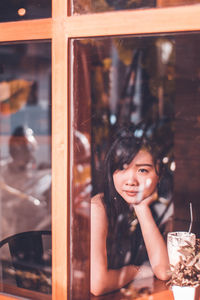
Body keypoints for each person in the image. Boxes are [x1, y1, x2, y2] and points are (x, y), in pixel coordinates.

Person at [91, 125, 172, 296]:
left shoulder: (160, 208)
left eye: (142, 170)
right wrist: (135, 271)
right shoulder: (98, 208)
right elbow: (97, 284)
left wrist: (141, 208)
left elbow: (164, 271)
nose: (131, 181)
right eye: (122, 168)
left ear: (160, 174)